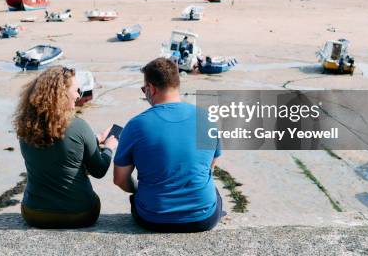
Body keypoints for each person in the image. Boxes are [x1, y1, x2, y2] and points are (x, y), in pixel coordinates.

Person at [113, 58, 222, 233]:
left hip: (152, 218)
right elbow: (212, 164)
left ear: (151, 89)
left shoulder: (135, 125)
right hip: (202, 219)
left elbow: (119, 179)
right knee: (211, 189)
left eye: (144, 89)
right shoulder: (207, 118)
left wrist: (136, 189)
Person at [14, 66, 118, 229]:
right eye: (76, 90)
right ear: (61, 94)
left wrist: (95, 139)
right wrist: (109, 148)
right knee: (93, 198)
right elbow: (99, 170)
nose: (78, 95)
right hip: (79, 214)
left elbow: (58, 149)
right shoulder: (79, 126)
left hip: (34, 214)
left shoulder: (25, 129)